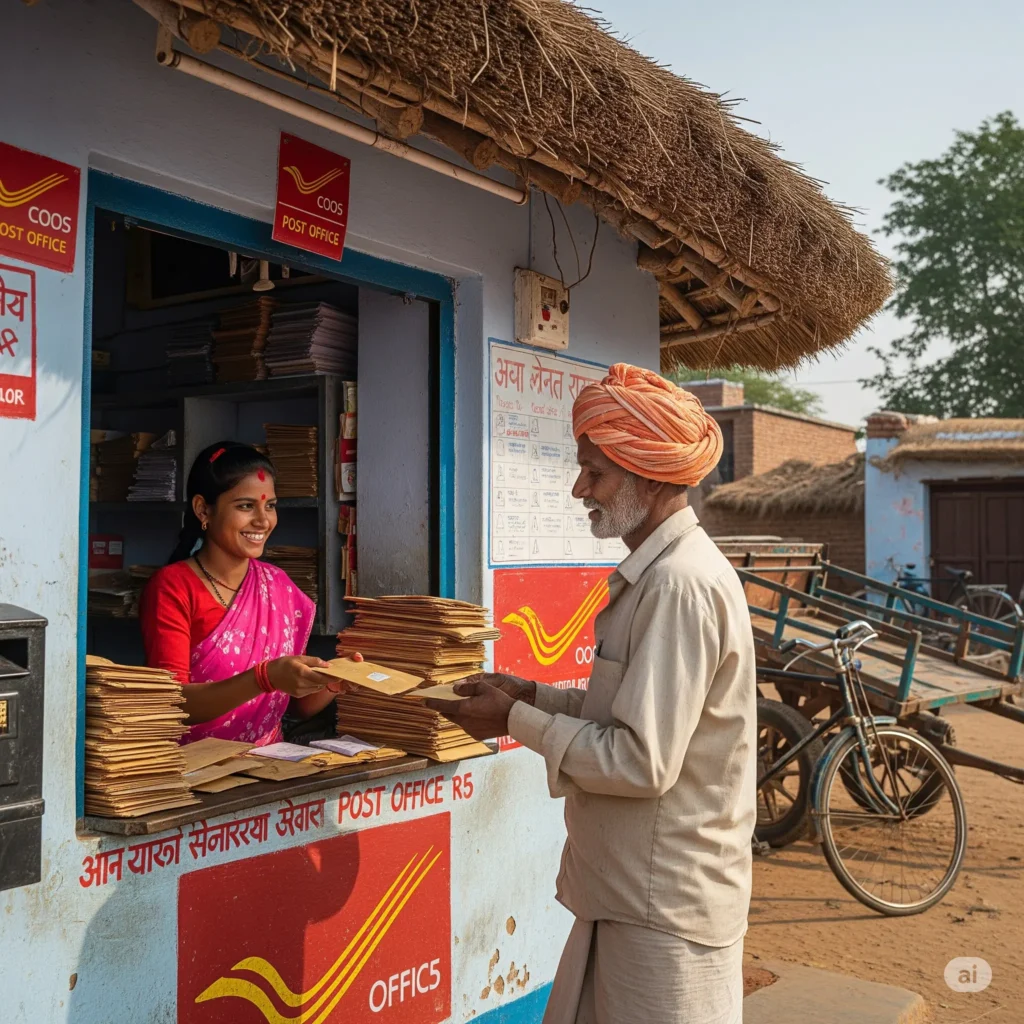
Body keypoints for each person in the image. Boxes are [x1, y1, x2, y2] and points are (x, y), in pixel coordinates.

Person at [427, 364, 757, 1024]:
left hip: (663, 911)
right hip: (630, 897)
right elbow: (627, 718)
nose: (580, 488)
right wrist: (531, 694)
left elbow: (640, 760)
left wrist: (514, 717)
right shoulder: (661, 576)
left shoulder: (677, 586)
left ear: (652, 475)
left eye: (595, 472)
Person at [141, 442, 340, 746]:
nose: (263, 521)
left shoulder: (279, 586)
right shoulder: (173, 587)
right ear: (202, 509)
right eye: (246, 506)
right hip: (191, 772)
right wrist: (263, 678)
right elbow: (172, 703)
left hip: (267, 767)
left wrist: (335, 681)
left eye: (270, 506)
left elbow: (299, 706)